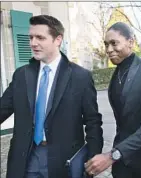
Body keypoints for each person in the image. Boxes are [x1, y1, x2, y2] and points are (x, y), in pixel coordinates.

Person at [0, 15, 103, 178]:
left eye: (40, 37)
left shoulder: (80, 77)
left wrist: (93, 156)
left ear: (58, 40)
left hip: (63, 162)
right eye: (31, 37)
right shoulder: (21, 75)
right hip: (25, 159)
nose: (33, 43)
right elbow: (2, 108)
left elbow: (93, 121)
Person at [84, 22, 141, 178]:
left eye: (114, 43)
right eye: (106, 44)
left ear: (131, 42)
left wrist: (112, 155)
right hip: (122, 161)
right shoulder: (117, 73)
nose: (109, 49)